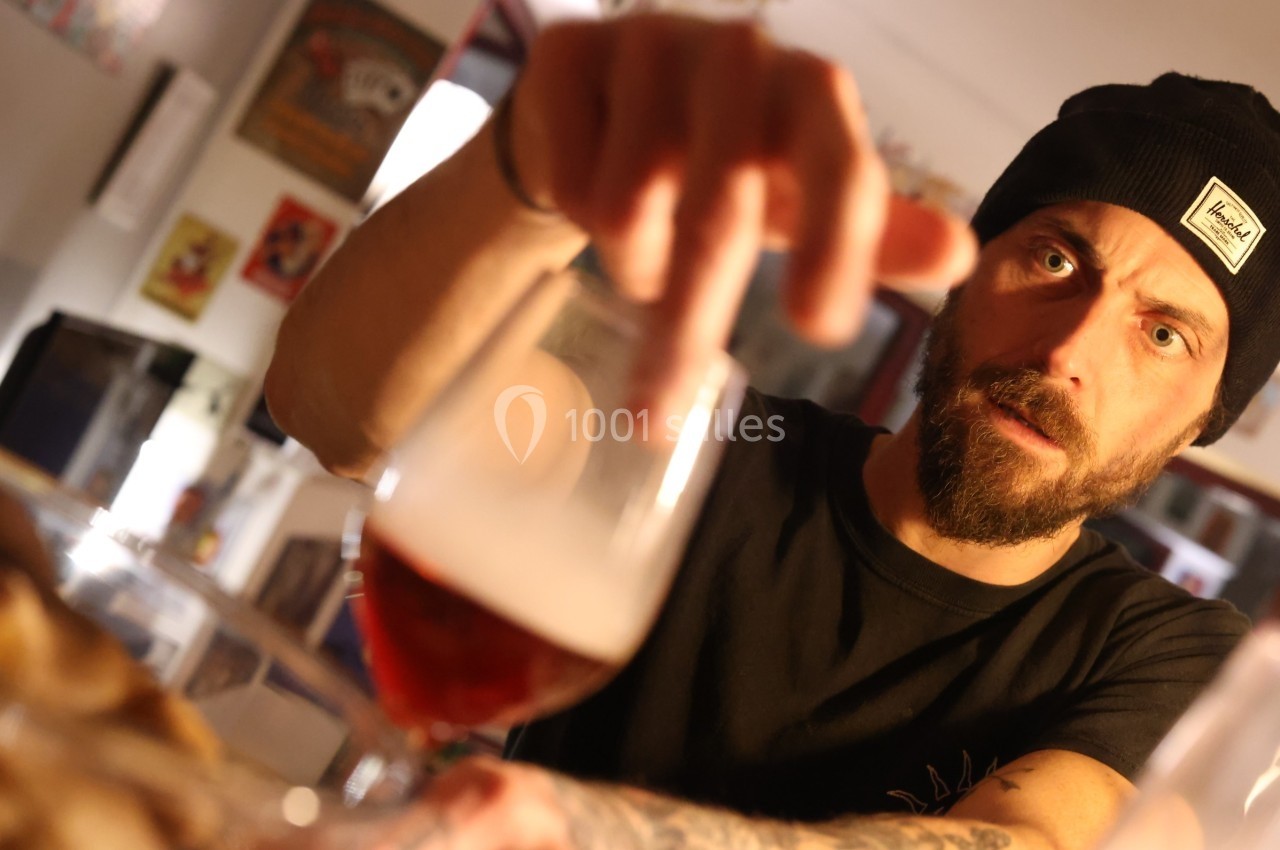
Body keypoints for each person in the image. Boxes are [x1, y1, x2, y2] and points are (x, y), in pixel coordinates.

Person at [264, 13, 1280, 850]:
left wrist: (577, 827)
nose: (1069, 350)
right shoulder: (709, 446)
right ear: (963, 273)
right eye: (1055, 261)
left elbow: (1032, 843)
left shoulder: (1168, 653)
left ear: (1202, 421)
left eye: (1160, 333)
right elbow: (343, 410)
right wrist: (529, 167)